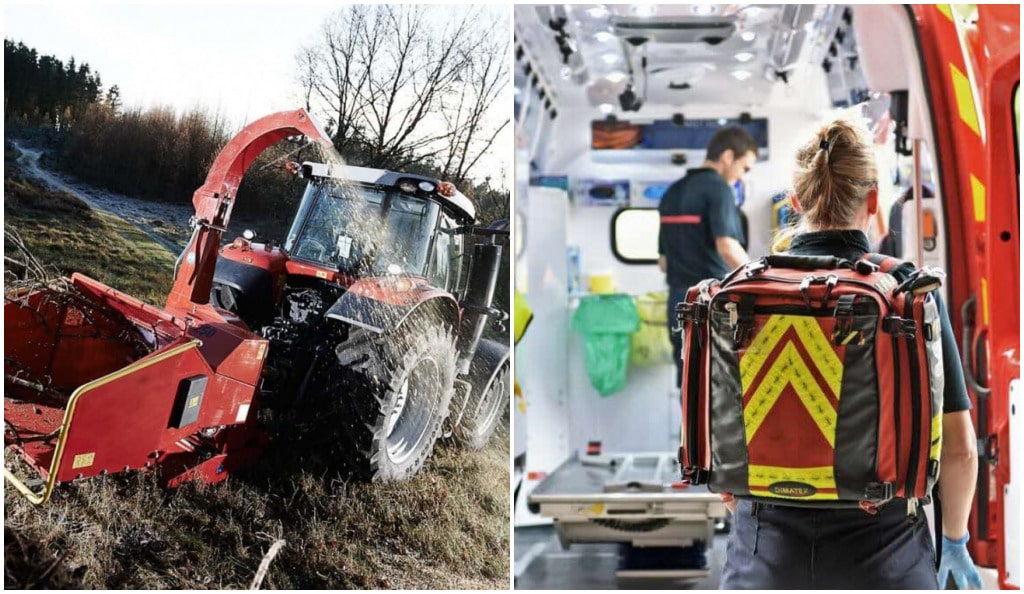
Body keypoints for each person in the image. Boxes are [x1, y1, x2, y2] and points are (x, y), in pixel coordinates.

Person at [721, 120, 981, 589]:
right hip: (886, 555)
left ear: (795, 204)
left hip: (763, 556)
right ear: (875, 201)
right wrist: (956, 541)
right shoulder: (910, 295)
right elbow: (960, 449)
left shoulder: (741, 296)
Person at [658, 126, 757, 388]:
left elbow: (663, 263)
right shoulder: (719, 189)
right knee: (718, 391)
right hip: (711, 306)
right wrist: (760, 278)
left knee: (689, 387)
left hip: (678, 306)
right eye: (744, 168)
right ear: (727, 156)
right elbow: (727, 246)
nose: (741, 178)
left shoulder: (672, 193)